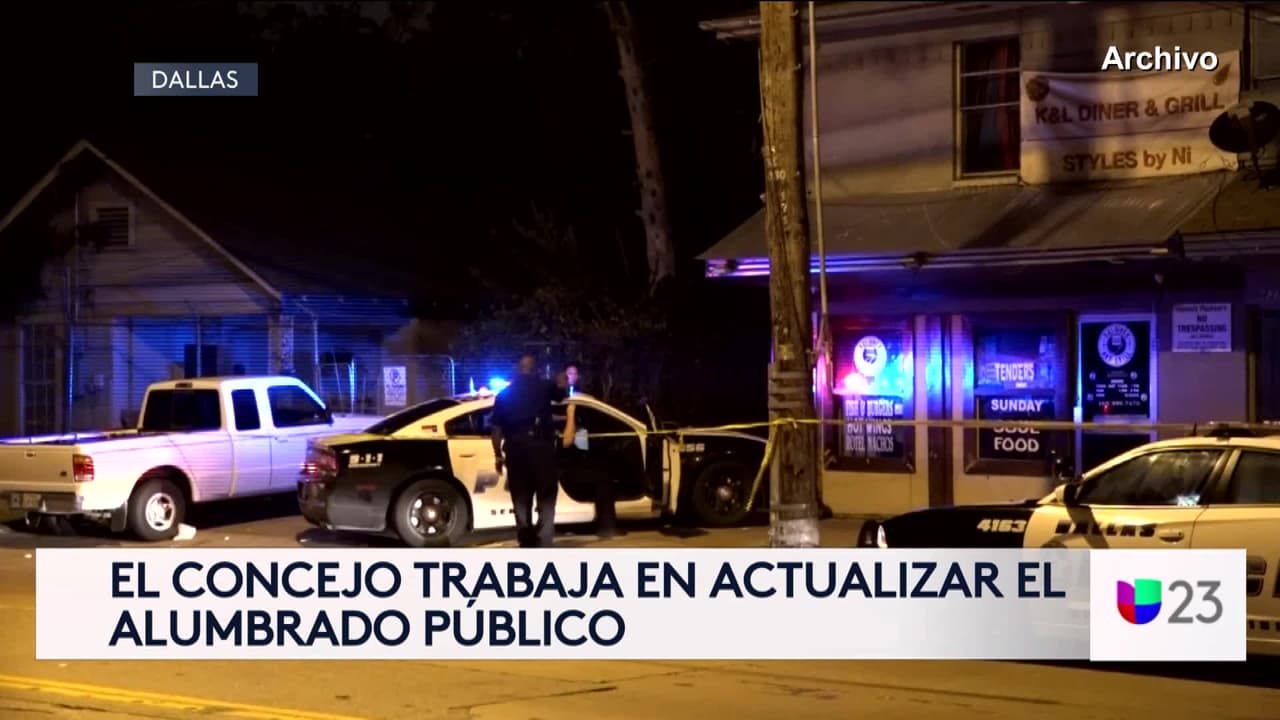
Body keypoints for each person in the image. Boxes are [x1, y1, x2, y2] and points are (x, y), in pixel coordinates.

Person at [491, 353, 567, 548]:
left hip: (515, 451)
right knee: (546, 496)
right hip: (541, 448)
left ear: (518, 369)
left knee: (520, 497)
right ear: (536, 369)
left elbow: (496, 430)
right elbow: (562, 395)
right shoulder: (544, 386)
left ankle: (526, 539)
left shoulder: (503, 395)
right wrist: (562, 379)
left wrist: (498, 456)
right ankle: (544, 541)